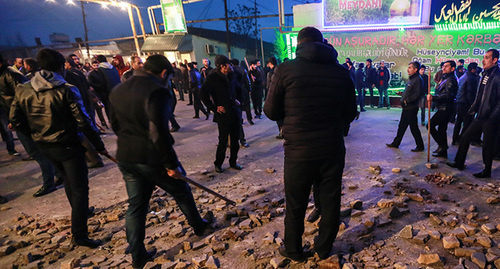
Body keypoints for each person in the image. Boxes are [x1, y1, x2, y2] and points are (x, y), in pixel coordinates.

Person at [264, 27, 357, 261]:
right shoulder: (341, 73)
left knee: (296, 203)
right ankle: (324, 248)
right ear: (323, 43)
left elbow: (270, 111)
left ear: (299, 44)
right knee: (330, 200)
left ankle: (294, 250)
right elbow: (350, 112)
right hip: (332, 148)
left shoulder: (285, 70)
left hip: (298, 151)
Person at [110, 55, 211, 267]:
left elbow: (115, 124)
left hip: (127, 157)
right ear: (164, 73)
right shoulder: (157, 91)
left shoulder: (119, 89)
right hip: (152, 158)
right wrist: (171, 165)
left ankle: (138, 256)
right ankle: (199, 227)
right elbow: (159, 133)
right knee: (182, 191)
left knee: (136, 206)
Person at [10, 48, 107, 248]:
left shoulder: (24, 89)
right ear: (61, 68)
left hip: (45, 146)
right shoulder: (66, 89)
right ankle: (79, 235)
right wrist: (99, 146)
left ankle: (81, 213)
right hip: (69, 146)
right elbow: (84, 122)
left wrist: (36, 135)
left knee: (68, 182)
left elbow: (15, 120)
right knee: (79, 189)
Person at [447, 49, 500, 178]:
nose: (483, 60)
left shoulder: (498, 75)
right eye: (484, 57)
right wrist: (473, 108)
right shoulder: (484, 74)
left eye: (487, 57)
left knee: (487, 145)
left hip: (490, 117)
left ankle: (486, 171)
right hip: (480, 115)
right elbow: (480, 94)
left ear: (495, 60)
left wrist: (493, 116)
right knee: (465, 137)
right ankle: (459, 162)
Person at [201, 55, 243, 173]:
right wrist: (214, 108)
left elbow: (238, 88)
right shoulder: (213, 78)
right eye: (229, 64)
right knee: (223, 140)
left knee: (235, 140)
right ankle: (218, 163)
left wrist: (238, 99)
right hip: (223, 114)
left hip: (234, 112)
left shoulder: (232, 75)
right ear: (223, 66)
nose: (231, 66)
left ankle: (233, 162)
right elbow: (203, 94)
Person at [386, 61, 425, 152]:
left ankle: (420, 146)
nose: (408, 69)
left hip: (411, 108)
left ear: (415, 69)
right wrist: (403, 94)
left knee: (413, 127)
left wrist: (407, 100)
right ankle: (396, 143)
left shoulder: (418, 79)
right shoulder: (412, 79)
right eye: (408, 67)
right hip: (406, 107)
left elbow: (417, 94)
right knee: (402, 126)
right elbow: (410, 92)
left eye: (410, 67)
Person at [428, 60, 458, 158]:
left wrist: (434, 97)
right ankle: (443, 152)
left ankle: (443, 146)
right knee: (442, 129)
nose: (443, 68)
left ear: (453, 68)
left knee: (430, 125)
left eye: (446, 66)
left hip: (446, 108)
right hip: (443, 107)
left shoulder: (451, 80)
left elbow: (449, 96)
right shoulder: (446, 78)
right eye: (443, 66)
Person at [452, 62, 479, 146]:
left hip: (459, 102)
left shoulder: (463, 76)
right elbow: (470, 93)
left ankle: (455, 139)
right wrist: (472, 105)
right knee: (467, 123)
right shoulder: (471, 78)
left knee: (459, 122)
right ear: (473, 69)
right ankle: (461, 139)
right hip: (466, 103)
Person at [87, 55, 121, 120]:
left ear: (98, 61)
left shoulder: (100, 69)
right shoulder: (113, 67)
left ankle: (112, 121)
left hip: (107, 92)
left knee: (109, 107)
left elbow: (102, 82)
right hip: (117, 89)